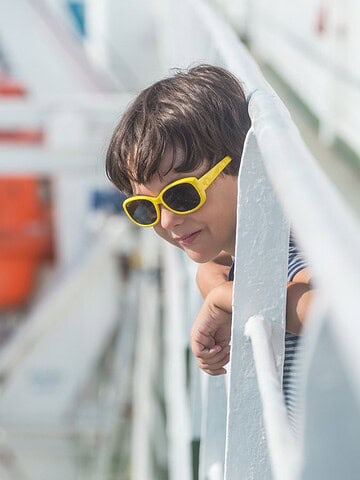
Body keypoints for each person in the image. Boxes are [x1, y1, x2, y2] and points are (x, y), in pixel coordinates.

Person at [105, 64, 313, 410]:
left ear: (246, 165)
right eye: (146, 209)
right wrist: (215, 285)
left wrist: (231, 297)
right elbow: (214, 267)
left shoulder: (288, 249)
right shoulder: (238, 247)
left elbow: (326, 307)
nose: (169, 221)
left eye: (182, 195)